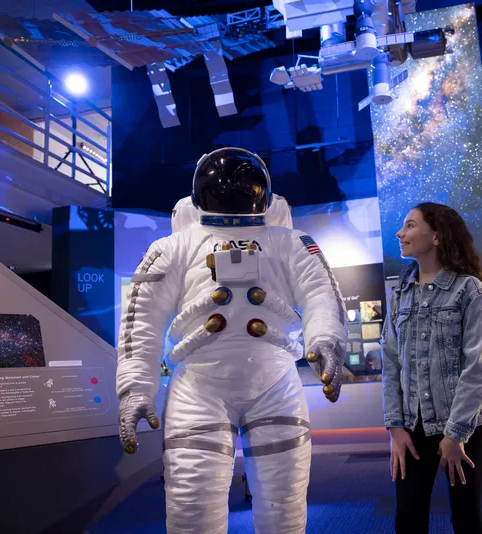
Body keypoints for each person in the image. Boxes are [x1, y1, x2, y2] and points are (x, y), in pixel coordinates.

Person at [115, 147, 348, 534]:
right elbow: (142, 319)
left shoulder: (290, 242)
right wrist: (135, 387)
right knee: (194, 510)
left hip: (272, 384)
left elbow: (321, 295)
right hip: (201, 390)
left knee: (283, 507)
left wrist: (325, 339)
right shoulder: (174, 247)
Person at [381, 202, 482, 534]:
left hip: (466, 424)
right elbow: (391, 361)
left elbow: (479, 367)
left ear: (437, 236)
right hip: (412, 425)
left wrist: (455, 434)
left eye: (410, 225)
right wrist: (395, 427)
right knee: (408, 519)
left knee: (466, 518)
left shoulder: (469, 289)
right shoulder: (401, 292)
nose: (400, 233)